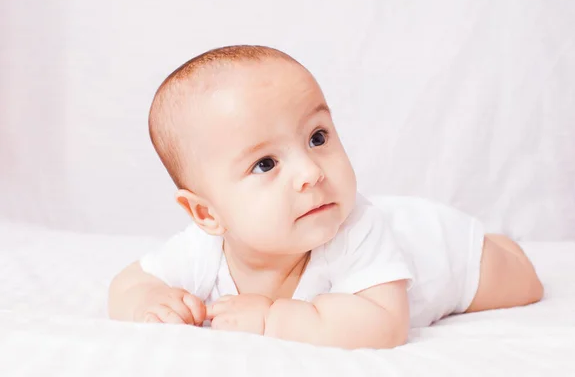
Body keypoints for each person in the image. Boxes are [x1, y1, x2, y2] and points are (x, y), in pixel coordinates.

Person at [108, 45, 543, 349]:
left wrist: (271, 319)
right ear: (206, 212)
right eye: (266, 164)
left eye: (317, 137)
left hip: (438, 248)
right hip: (403, 228)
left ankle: (505, 243)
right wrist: (148, 301)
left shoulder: (356, 231)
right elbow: (129, 283)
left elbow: (384, 325)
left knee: (521, 280)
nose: (311, 172)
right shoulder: (204, 249)